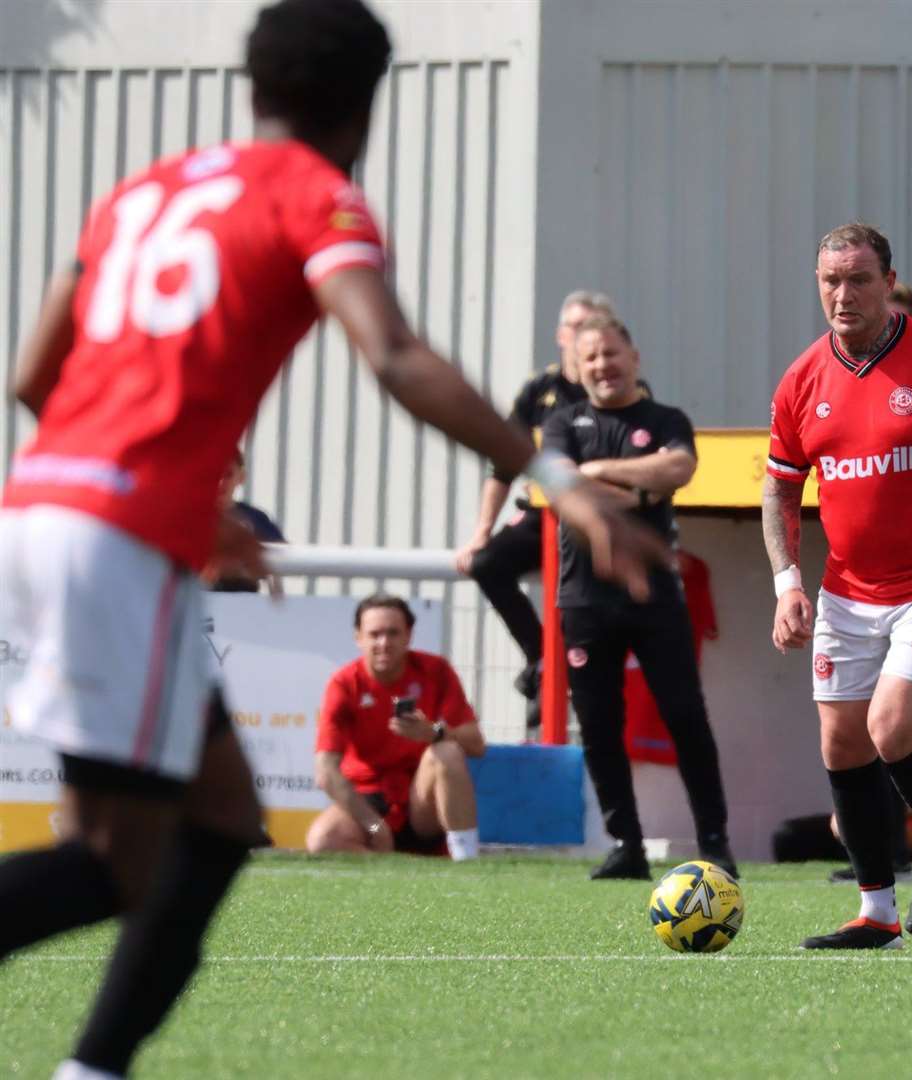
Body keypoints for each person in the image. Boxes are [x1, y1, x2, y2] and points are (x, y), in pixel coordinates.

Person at [0, 3, 662, 1076]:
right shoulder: (318, 195)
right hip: (114, 541)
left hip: (41, 508)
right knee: (118, 862)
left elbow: (36, 376)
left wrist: (171, 491)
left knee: (217, 820)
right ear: (365, 104)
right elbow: (393, 355)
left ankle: (93, 1067)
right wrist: (557, 481)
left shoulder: (145, 188)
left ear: (252, 83)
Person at [764, 221, 912, 949]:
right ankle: (876, 913)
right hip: (845, 591)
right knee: (844, 746)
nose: (843, 294)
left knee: (894, 729)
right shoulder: (801, 380)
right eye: (831, 280)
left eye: (859, 279)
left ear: (889, 284)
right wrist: (786, 583)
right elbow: (780, 490)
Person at [542, 314, 736, 880]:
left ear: (634, 356)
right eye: (591, 357)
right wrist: (637, 486)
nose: (602, 365)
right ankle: (625, 845)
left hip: (656, 596)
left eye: (611, 353)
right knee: (599, 724)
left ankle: (715, 841)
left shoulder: (666, 419)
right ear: (578, 367)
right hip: (583, 598)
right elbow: (557, 484)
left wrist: (596, 473)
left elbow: (679, 467)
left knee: (684, 715)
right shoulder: (561, 422)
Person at [455, 289, 619, 700]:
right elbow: (503, 465)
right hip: (542, 518)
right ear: (561, 335)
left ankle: (574, 670)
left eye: (593, 327)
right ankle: (543, 660)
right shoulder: (539, 390)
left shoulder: (619, 386)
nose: (585, 338)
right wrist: (480, 531)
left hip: (596, 522)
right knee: (487, 563)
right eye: (576, 327)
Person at [305, 595, 484, 859]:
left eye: (392, 633)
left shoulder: (436, 670)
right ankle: (397, 868)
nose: (383, 643)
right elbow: (326, 771)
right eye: (374, 634)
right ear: (358, 638)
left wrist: (433, 732)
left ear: (409, 636)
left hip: (420, 800)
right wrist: (375, 827)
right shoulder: (344, 684)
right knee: (323, 840)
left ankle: (467, 862)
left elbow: (477, 744)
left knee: (447, 751)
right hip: (369, 801)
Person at [207, 447, 286, 593]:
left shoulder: (256, 518)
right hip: (202, 604)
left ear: (241, 477)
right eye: (214, 472)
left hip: (245, 604)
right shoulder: (189, 518)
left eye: (228, 475)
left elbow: (282, 554)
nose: (220, 482)